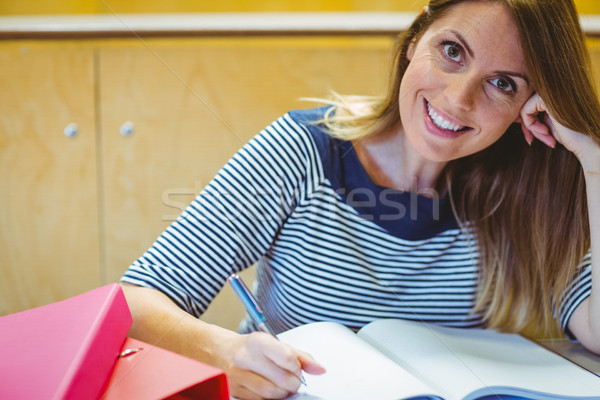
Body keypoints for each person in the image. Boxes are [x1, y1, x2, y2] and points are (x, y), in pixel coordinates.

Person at [120, 0, 600, 398]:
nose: (458, 98)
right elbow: (133, 302)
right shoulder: (301, 152)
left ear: (531, 105)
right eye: (451, 50)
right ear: (416, 39)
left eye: (503, 84)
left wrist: (593, 162)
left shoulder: (528, 190)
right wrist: (221, 351)